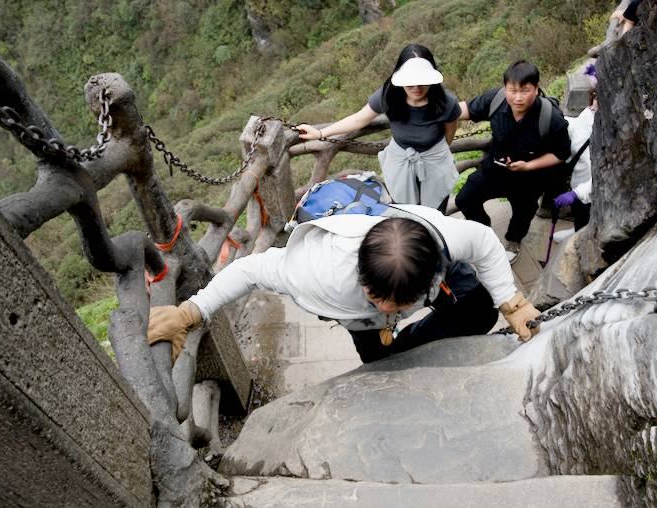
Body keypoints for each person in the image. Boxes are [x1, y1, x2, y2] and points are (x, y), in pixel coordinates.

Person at [147, 205, 541, 364]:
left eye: (399, 303)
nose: (388, 308)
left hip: (423, 270)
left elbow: (486, 243)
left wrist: (512, 302)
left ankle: (429, 337)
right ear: (360, 274)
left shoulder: (441, 240)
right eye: (377, 297)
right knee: (379, 360)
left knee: (480, 307)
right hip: (353, 312)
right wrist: (190, 312)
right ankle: (404, 351)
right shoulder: (316, 271)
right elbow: (249, 270)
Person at [297, 44, 461, 212]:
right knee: (406, 211)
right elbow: (359, 119)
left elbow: (450, 131)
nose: (416, 88)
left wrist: (435, 154)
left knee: (436, 209)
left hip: (435, 160)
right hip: (401, 161)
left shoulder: (445, 102)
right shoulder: (389, 95)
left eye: (422, 82)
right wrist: (320, 133)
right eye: (410, 82)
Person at [455, 60, 571, 264]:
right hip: (494, 171)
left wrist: (528, 166)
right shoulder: (496, 100)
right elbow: (463, 109)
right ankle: (484, 231)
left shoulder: (550, 118)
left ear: (536, 89)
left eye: (525, 91)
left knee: (522, 214)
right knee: (465, 198)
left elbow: (560, 153)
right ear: (505, 88)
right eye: (512, 90)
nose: (517, 98)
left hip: (528, 180)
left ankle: (513, 240)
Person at [554, 91, 597, 232]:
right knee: (579, 215)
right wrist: (556, 121)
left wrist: (577, 194)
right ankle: (575, 231)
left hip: (592, 194)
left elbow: (609, 176)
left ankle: (579, 233)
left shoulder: (614, 131)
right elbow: (576, 126)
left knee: (587, 221)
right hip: (577, 183)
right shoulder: (590, 113)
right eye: (596, 95)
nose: (595, 102)